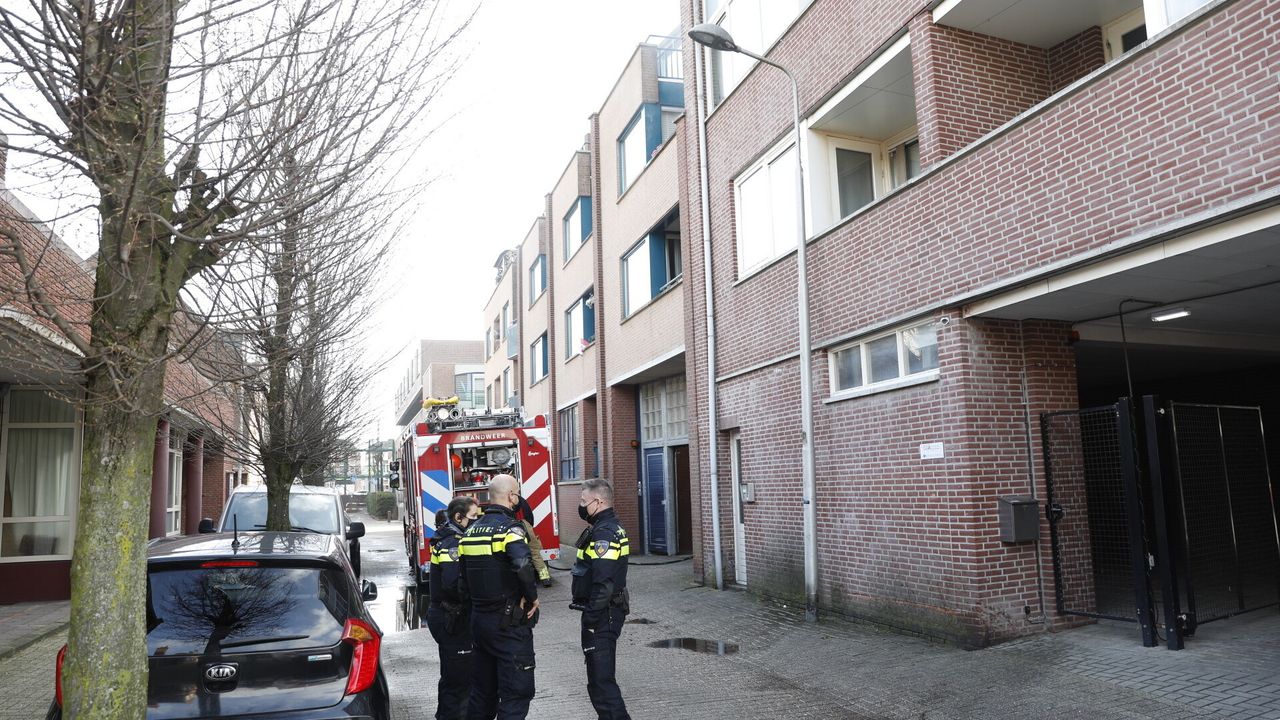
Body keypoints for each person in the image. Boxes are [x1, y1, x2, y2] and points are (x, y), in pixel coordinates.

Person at [460, 474, 539, 720]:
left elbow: (463, 580)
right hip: (508, 624)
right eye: (516, 493)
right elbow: (522, 563)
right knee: (515, 693)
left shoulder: (470, 531)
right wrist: (532, 596)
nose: (518, 498)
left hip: (479, 623)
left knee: (483, 694)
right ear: (511, 496)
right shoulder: (510, 529)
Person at [570, 479, 631, 720]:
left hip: (603, 613)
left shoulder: (604, 532)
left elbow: (603, 582)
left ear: (599, 501)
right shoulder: (606, 527)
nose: (581, 506)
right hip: (606, 611)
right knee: (598, 681)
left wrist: (592, 619)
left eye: (584, 501)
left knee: (601, 682)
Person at [427, 496, 481, 720]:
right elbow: (452, 584)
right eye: (473, 517)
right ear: (459, 517)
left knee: (453, 678)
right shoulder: (453, 542)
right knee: (459, 683)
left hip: (448, 616)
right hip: (452, 618)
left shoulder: (449, 536)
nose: (477, 521)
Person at [514, 494, 553, 587]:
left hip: (514, 527)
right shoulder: (521, 499)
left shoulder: (505, 500)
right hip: (526, 526)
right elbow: (529, 515)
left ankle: (524, 581)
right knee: (535, 554)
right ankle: (545, 578)